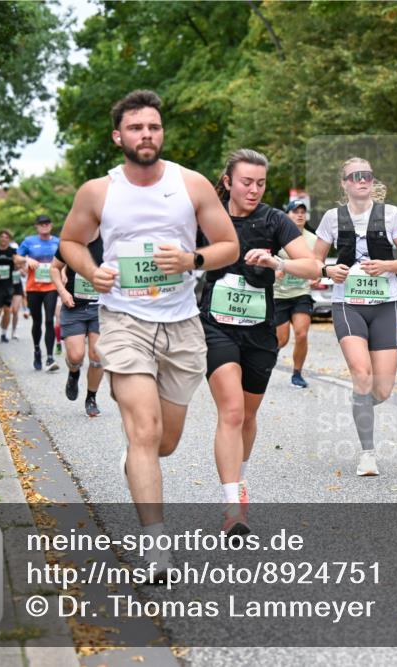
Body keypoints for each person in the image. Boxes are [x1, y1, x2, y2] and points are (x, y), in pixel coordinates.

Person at [59, 89, 239, 575]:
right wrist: (91, 270)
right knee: (145, 431)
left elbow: (229, 245)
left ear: (162, 134)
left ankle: (138, 462)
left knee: (166, 442)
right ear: (119, 136)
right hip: (123, 321)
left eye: (154, 127)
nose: (146, 135)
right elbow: (71, 242)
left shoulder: (192, 184)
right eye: (137, 128)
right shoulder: (99, 191)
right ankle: (156, 547)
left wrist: (192, 259)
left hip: (181, 325)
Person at [201, 150, 320, 536]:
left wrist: (278, 263)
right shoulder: (209, 215)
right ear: (228, 182)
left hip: (260, 331)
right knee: (232, 411)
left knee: (248, 416)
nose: (254, 190)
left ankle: (241, 480)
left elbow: (312, 266)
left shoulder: (274, 220)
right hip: (215, 326)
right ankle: (232, 506)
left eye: (261, 183)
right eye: (246, 182)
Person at [312, 158, 397, 477]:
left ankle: (361, 403)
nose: (362, 180)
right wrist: (328, 271)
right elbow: (314, 263)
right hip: (349, 304)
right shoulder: (332, 218)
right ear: (344, 184)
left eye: (367, 176)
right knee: (361, 373)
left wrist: (387, 265)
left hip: (386, 303)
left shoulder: (392, 214)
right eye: (354, 176)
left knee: (381, 390)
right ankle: (368, 453)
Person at [51, 229, 104, 417]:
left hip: (101, 309)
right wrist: (62, 292)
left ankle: (91, 397)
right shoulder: (71, 242)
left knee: (97, 357)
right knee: (76, 356)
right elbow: (54, 268)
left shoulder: (111, 239)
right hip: (74, 306)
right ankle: (73, 373)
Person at [274, 199, 318, 389]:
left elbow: (317, 263)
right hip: (278, 294)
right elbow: (267, 257)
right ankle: (264, 360)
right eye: (295, 211)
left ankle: (297, 374)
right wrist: (274, 270)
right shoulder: (277, 236)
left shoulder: (312, 239)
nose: (299, 214)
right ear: (287, 215)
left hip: (301, 292)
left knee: (301, 334)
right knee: (281, 339)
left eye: (302, 211)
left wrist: (317, 276)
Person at [16, 215, 61, 371]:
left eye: (47, 223)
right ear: (36, 226)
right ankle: (37, 350)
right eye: (41, 224)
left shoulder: (57, 242)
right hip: (33, 287)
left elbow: (66, 259)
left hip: (51, 287)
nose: (44, 226)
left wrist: (65, 274)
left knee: (49, 320)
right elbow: (16, 258)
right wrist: (26, 260)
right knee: (37, 321)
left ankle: (49, 357)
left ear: (51, 225)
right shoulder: (29, 241)